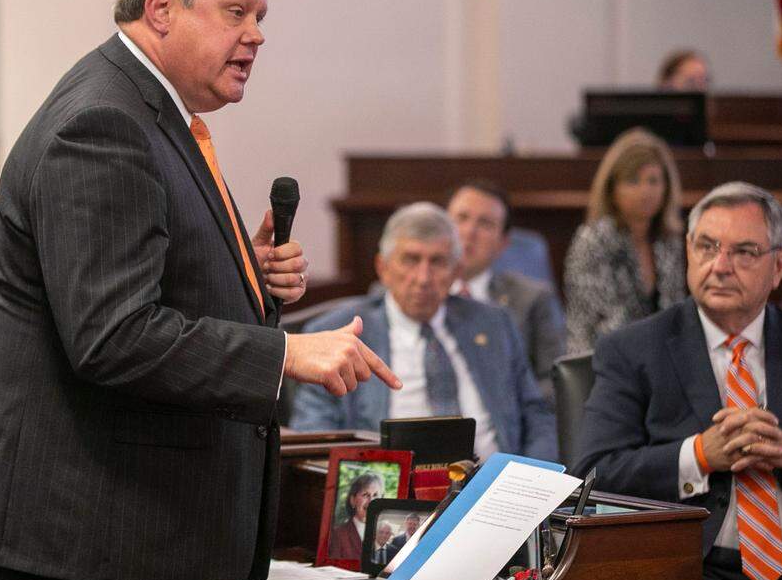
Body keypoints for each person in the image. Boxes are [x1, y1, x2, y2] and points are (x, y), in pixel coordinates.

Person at [0, 0, 400, 580]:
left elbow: (125, 275)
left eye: (260, 18)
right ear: (162, 8)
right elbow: (113, 335)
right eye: (236, 13)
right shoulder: (103, 124)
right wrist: (288, 352)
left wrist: (238, 268)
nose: (256, 35)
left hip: (129, 536)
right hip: (97, 541)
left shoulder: (147, 111)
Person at [575, 182, 782, 580]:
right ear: (688, 250)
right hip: (693, 564)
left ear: (780, 265)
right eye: (707, 246)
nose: (721, 266)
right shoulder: (633, 351)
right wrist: (699, 455)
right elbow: (592, 471)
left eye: (744, 252)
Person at [291, 203, 556, 462]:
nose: (423, 278)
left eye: (438, 262)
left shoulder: (494, 324)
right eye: (411, 260)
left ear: (456, 272)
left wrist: (530, 478)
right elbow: (314, 436)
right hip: (386, 493)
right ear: (383, 268)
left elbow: (537, 415)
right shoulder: (339, 335)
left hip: (493, 490)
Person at [564, 127, 686, 353]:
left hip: (659, 364)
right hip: (599, 364)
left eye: (653, 181)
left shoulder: (670, 242)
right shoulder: (593, 241)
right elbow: (607, 326)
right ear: (612, 189)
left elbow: (676, 316)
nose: (645, 191)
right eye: (633, 181)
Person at [448, 181, 565, 402]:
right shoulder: (407, 296)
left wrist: (507, 407)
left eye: (485, 224)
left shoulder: (533, 298)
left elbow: (557, 379)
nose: (469, 232)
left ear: (503, 243)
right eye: (461, 218)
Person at [329, 473, 383, 559]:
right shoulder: (338, 535)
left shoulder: (387, 535)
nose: (371, 501)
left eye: (375, 495)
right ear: (353, 500)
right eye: (365, 495)